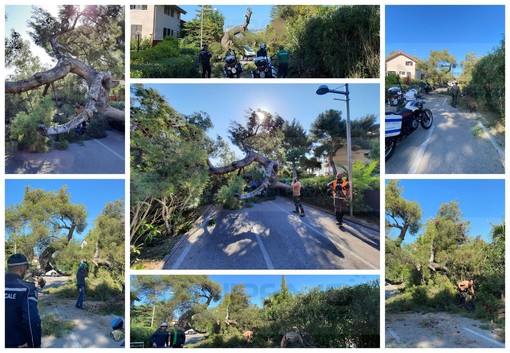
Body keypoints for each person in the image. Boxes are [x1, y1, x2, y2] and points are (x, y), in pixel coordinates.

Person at [5, 253, 42, 348]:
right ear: (22, 268)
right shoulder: (27, 289)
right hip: (17, 344)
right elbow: (31, 321)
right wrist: (34, 344)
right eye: (26, 268)